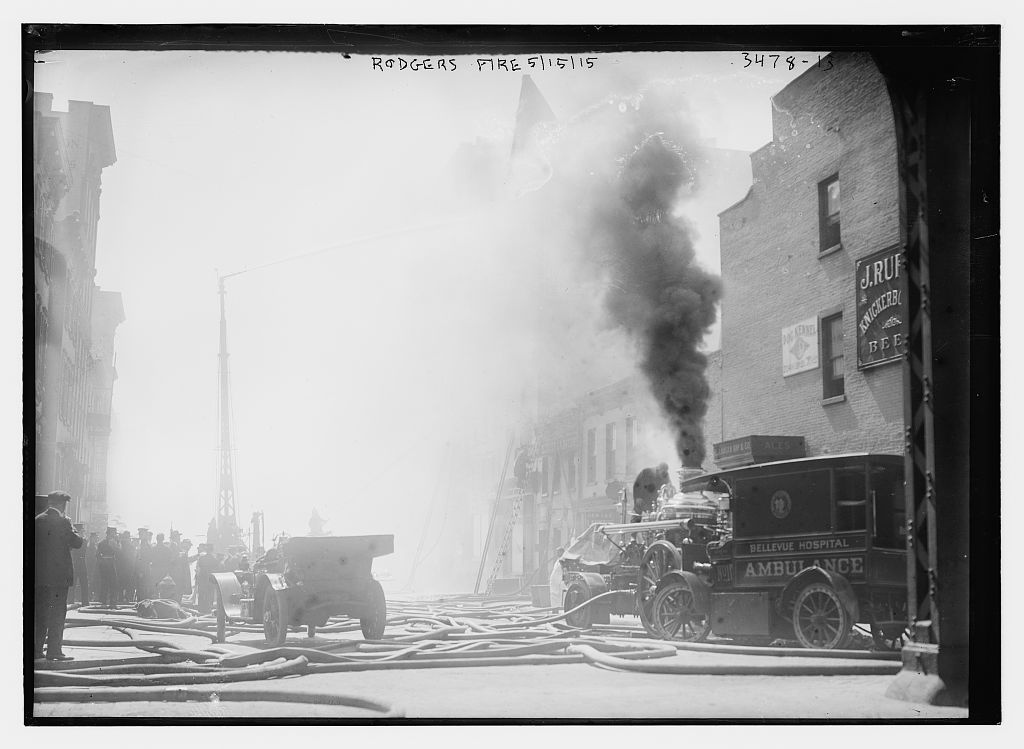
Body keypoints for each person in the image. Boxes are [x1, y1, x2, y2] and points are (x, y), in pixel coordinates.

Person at [34, 491, 84, 661]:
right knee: (57, 614)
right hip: (59, 578)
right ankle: (54, 651)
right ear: (62, 505)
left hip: (40, 576)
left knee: (40, 612)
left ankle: (36, 649)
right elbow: (77, 543)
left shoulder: (38, 519)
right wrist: (73, 529)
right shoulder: (63, 522)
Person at [96, 527, 120, 606]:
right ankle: (106, 601)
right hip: (108, 564)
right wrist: (102, 562)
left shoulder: (108, 542)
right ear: (109, 534)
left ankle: (110, 601)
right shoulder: (103, 543)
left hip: (109, 563)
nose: (114, 535)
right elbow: (97, 554)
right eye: (113, 533)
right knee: (107, 583)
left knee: (111, 583)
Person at [194, 544, 220, 613]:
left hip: (202, 578)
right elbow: (217, 569)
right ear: (212, 550)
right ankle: (209, 609)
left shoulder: (202, 558)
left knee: (201, 594)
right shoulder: (214, 559)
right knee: (210, 594)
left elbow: (199, 568)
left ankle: (201, 609)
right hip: (210, 579)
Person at [70, 523, 90, 605]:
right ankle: (70, 600)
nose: (83, 532)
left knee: (84, 583)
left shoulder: (83, 540)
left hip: (82, 562)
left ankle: (85, 601)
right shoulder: (75, 540)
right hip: (75, 562)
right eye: (82, 531)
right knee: (73, 583)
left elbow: (84, 548)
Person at [116, 531, 137, 603]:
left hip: (124, 568)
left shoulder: (121, 545)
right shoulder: (130, 546)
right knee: (125, 585)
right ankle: (126, 599)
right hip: (126, 568)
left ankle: (123, 598)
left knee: (123, 585)